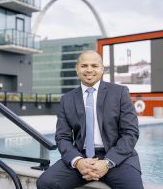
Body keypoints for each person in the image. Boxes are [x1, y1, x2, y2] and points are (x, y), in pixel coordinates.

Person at [37, 50, 143, 189]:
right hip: (82, 157)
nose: (89, 70)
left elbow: (130, 133)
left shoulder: (120, 93)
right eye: (84, 65)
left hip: (118, 158)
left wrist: (107, 163)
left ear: (102, 69)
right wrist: (78, 161)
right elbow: (62, 137)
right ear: (77, 69)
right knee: (45, 183)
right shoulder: (67, 99)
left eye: (94, 65)